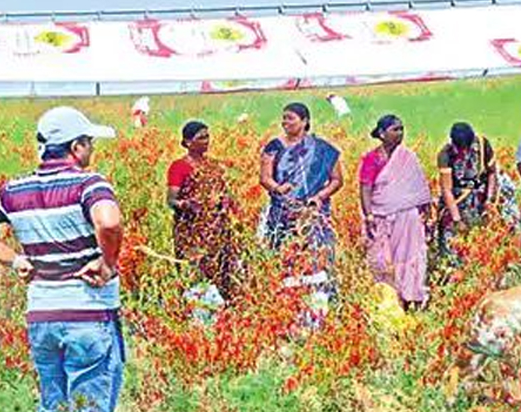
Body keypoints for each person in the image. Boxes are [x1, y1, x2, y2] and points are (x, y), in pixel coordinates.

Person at [0, 106, 124, 412]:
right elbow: (109, 222)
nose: (92, 149)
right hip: (88, 312)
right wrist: (108, 263)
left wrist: (14, 260)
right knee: (90, 405)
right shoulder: (89, 184)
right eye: (89, 142)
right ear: (76, 148)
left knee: (53, 404)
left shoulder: (13, 191)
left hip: (42, 314)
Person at [258, 102, 343, 318]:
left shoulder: (323, 149)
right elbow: (265, 178)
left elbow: (337, 180)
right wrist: (278, 188)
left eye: (290, 118)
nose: (285, 122)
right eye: (284, 118)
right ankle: (288, 310)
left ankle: (319, 309)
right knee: (287, 257)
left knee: (317, 258)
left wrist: (319, 197)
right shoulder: (274, 147)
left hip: (314, 214)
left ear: (304, 121)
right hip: (283, 212)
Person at [359, 115, 432, 310]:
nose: (400, 133)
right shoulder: (372, 159)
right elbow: (365, 187)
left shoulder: (408, 157)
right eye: (395, 129)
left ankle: (411, 297)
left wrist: (426, 214)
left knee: (410, 255)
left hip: (407, 215)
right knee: (382, 259)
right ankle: (388, 301)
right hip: (380, 216)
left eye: (401, 129)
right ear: (382, 134)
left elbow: (420, 189)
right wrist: (369, 215)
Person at [167, 120, 240, 300]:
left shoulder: (214, 166)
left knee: (222, 267)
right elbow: (171, 200)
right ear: (187, 142)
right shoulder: (179, 167)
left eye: (207, 136)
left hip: (217, 226)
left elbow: (224, 192)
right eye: (201, 138)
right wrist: (186, 205)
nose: (206, 141)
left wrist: (226, 204)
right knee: (195, 272)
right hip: (191, 229)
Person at [437, 122, 497, 259]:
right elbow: (447, 190)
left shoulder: (482, 145)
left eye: (466, 147)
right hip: (457, 199)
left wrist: (489, 200)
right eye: (460, 148)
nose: (463, 152)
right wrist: (457, 219)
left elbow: (492, 173)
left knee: (481, 240)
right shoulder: (445, 154)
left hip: (479, 197)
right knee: (453, 244)